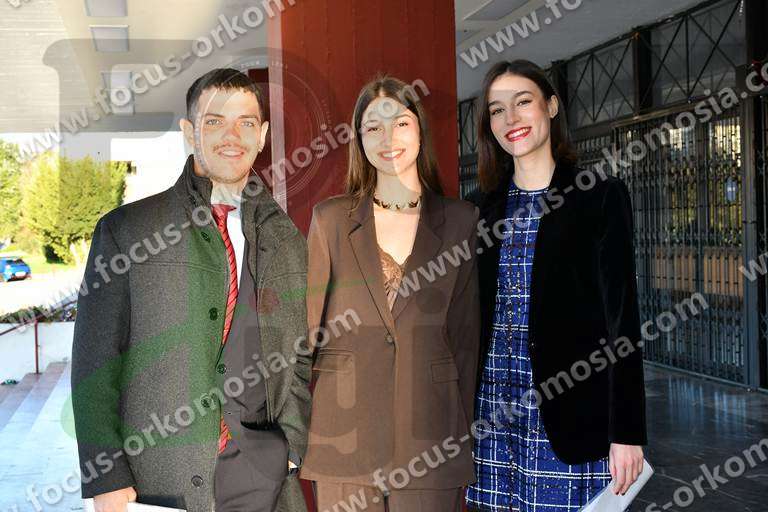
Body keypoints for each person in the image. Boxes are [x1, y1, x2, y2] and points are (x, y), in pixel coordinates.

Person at [71, 68, 311, 512]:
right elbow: (94, 364)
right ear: (189, 131)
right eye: (214, 121)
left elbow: (300, 353)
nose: (231, 136)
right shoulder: (127, 231)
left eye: (245, 122)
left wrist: (291, 446)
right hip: (159, 480)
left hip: (264, 478)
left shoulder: (287, 240)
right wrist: (106, 476)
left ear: (263, 136)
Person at [465, 60, 647, 511]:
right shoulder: (478, 209)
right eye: (497, 110)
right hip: (492, 410)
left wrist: (627, 432)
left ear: (550, 105)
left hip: (568, 408)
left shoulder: (598, 196)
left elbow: (622, 320)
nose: (511, 118)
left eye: (523, 102)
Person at [301, 76, 481, 511]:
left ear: (419, 129)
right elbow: (305, 335)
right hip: (343, 440)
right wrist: (293, 431)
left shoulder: (461, 221)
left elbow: (465, 340)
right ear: (359, 139)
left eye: (400, 123)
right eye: (373, 127)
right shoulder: (330, 221)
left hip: (432, 440)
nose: (388, 138)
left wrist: (464, 435)